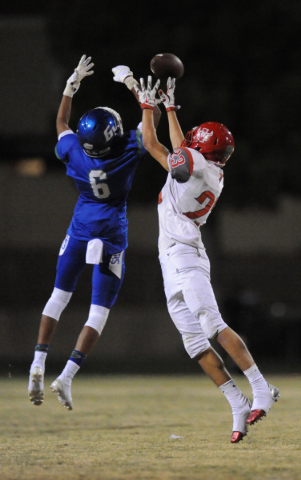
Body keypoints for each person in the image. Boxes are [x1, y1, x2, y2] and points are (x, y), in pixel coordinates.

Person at [132, 75, 279, 443]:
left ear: (201, 148)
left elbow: (152, 143)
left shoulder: (194, 164)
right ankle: (236, 402)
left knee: (212, 325)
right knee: (194, 342)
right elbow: (184, 149)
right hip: (173, 258)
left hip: (185, 255)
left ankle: (261, 388)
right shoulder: (211, 170)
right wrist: (169, 108)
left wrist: (147, 107)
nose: (190, 140)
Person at [28, 58, 161, 410]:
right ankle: (67, 375)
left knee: (59, 296)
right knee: (98, 311)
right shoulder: (128, 149)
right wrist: (134, 85)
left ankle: (38, 362)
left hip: (81, 229)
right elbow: (152, 126)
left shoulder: (73, 151)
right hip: (112, 232)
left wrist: (69, 89)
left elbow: (60, 123)